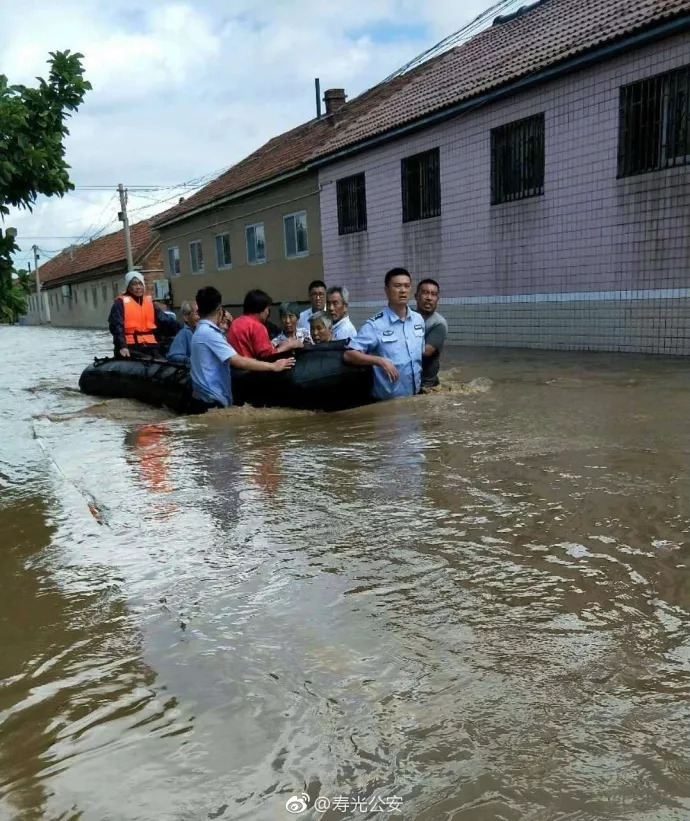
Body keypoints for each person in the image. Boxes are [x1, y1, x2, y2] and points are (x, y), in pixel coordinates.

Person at [190, 286, 295, 411]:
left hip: (205, 398)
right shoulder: (210, 333)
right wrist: (274, 366)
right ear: (219, 309)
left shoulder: (201, 331)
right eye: (268, 309)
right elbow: (238, 360)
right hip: (211, 401)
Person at [344, 268, 424, 401]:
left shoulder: (418, 320)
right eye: (397, 286)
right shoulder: (375, 325)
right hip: (388, 404)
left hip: (414, 399)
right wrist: (380, 361)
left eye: (407, 286)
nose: (403, 290)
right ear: (386, 290)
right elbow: (349, 354)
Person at [108, 271, 180, 358]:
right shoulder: (120, 304)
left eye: (140, 284)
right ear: (128, 286)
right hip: (131, 347)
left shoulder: (149, 304)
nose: (138, 287)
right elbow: (117, 327)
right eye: (134, 284)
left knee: (163, 361)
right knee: (149, 361)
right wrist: (122, 346)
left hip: (150, 346)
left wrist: (183, 329)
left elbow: (164, 320)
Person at [228, 289, 303, 360]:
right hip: (250, 371)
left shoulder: (235, 323)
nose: (268, 313)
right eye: (268, 309)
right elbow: (267, 356)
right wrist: (290, 345)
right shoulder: (257, 327)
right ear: (261, 309)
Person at [415, 278, 448, 389]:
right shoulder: (407, 316)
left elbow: (426, 352)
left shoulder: (439, 323)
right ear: (416, 296)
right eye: (425, 293)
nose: (429, 298)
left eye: (433, 294)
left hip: (426, 383)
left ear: (437, 299)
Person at [167, 300, 200, 365]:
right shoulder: (184, 333)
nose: (200, 317)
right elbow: (173, 355)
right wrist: (191, 360)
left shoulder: (201, 332)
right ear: (186, 317)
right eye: (197, 314)